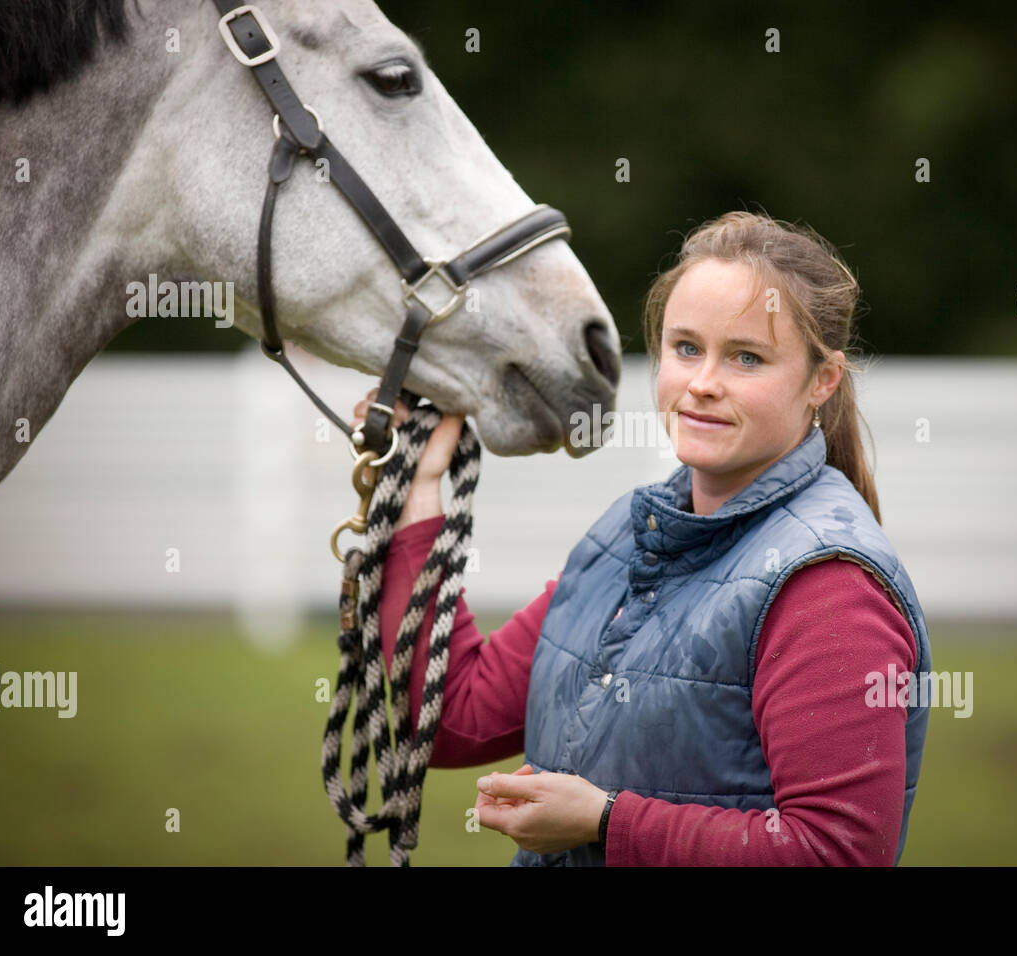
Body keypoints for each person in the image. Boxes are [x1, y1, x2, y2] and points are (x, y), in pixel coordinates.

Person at [352, 210, 932, 866]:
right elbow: (453, 717)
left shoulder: (828, 584)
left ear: (821, 382)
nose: (703, 383)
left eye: (747, 357)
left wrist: (607, 820)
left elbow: (837, 854)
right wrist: (419, 491)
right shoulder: (629, 538)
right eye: (686, 348)